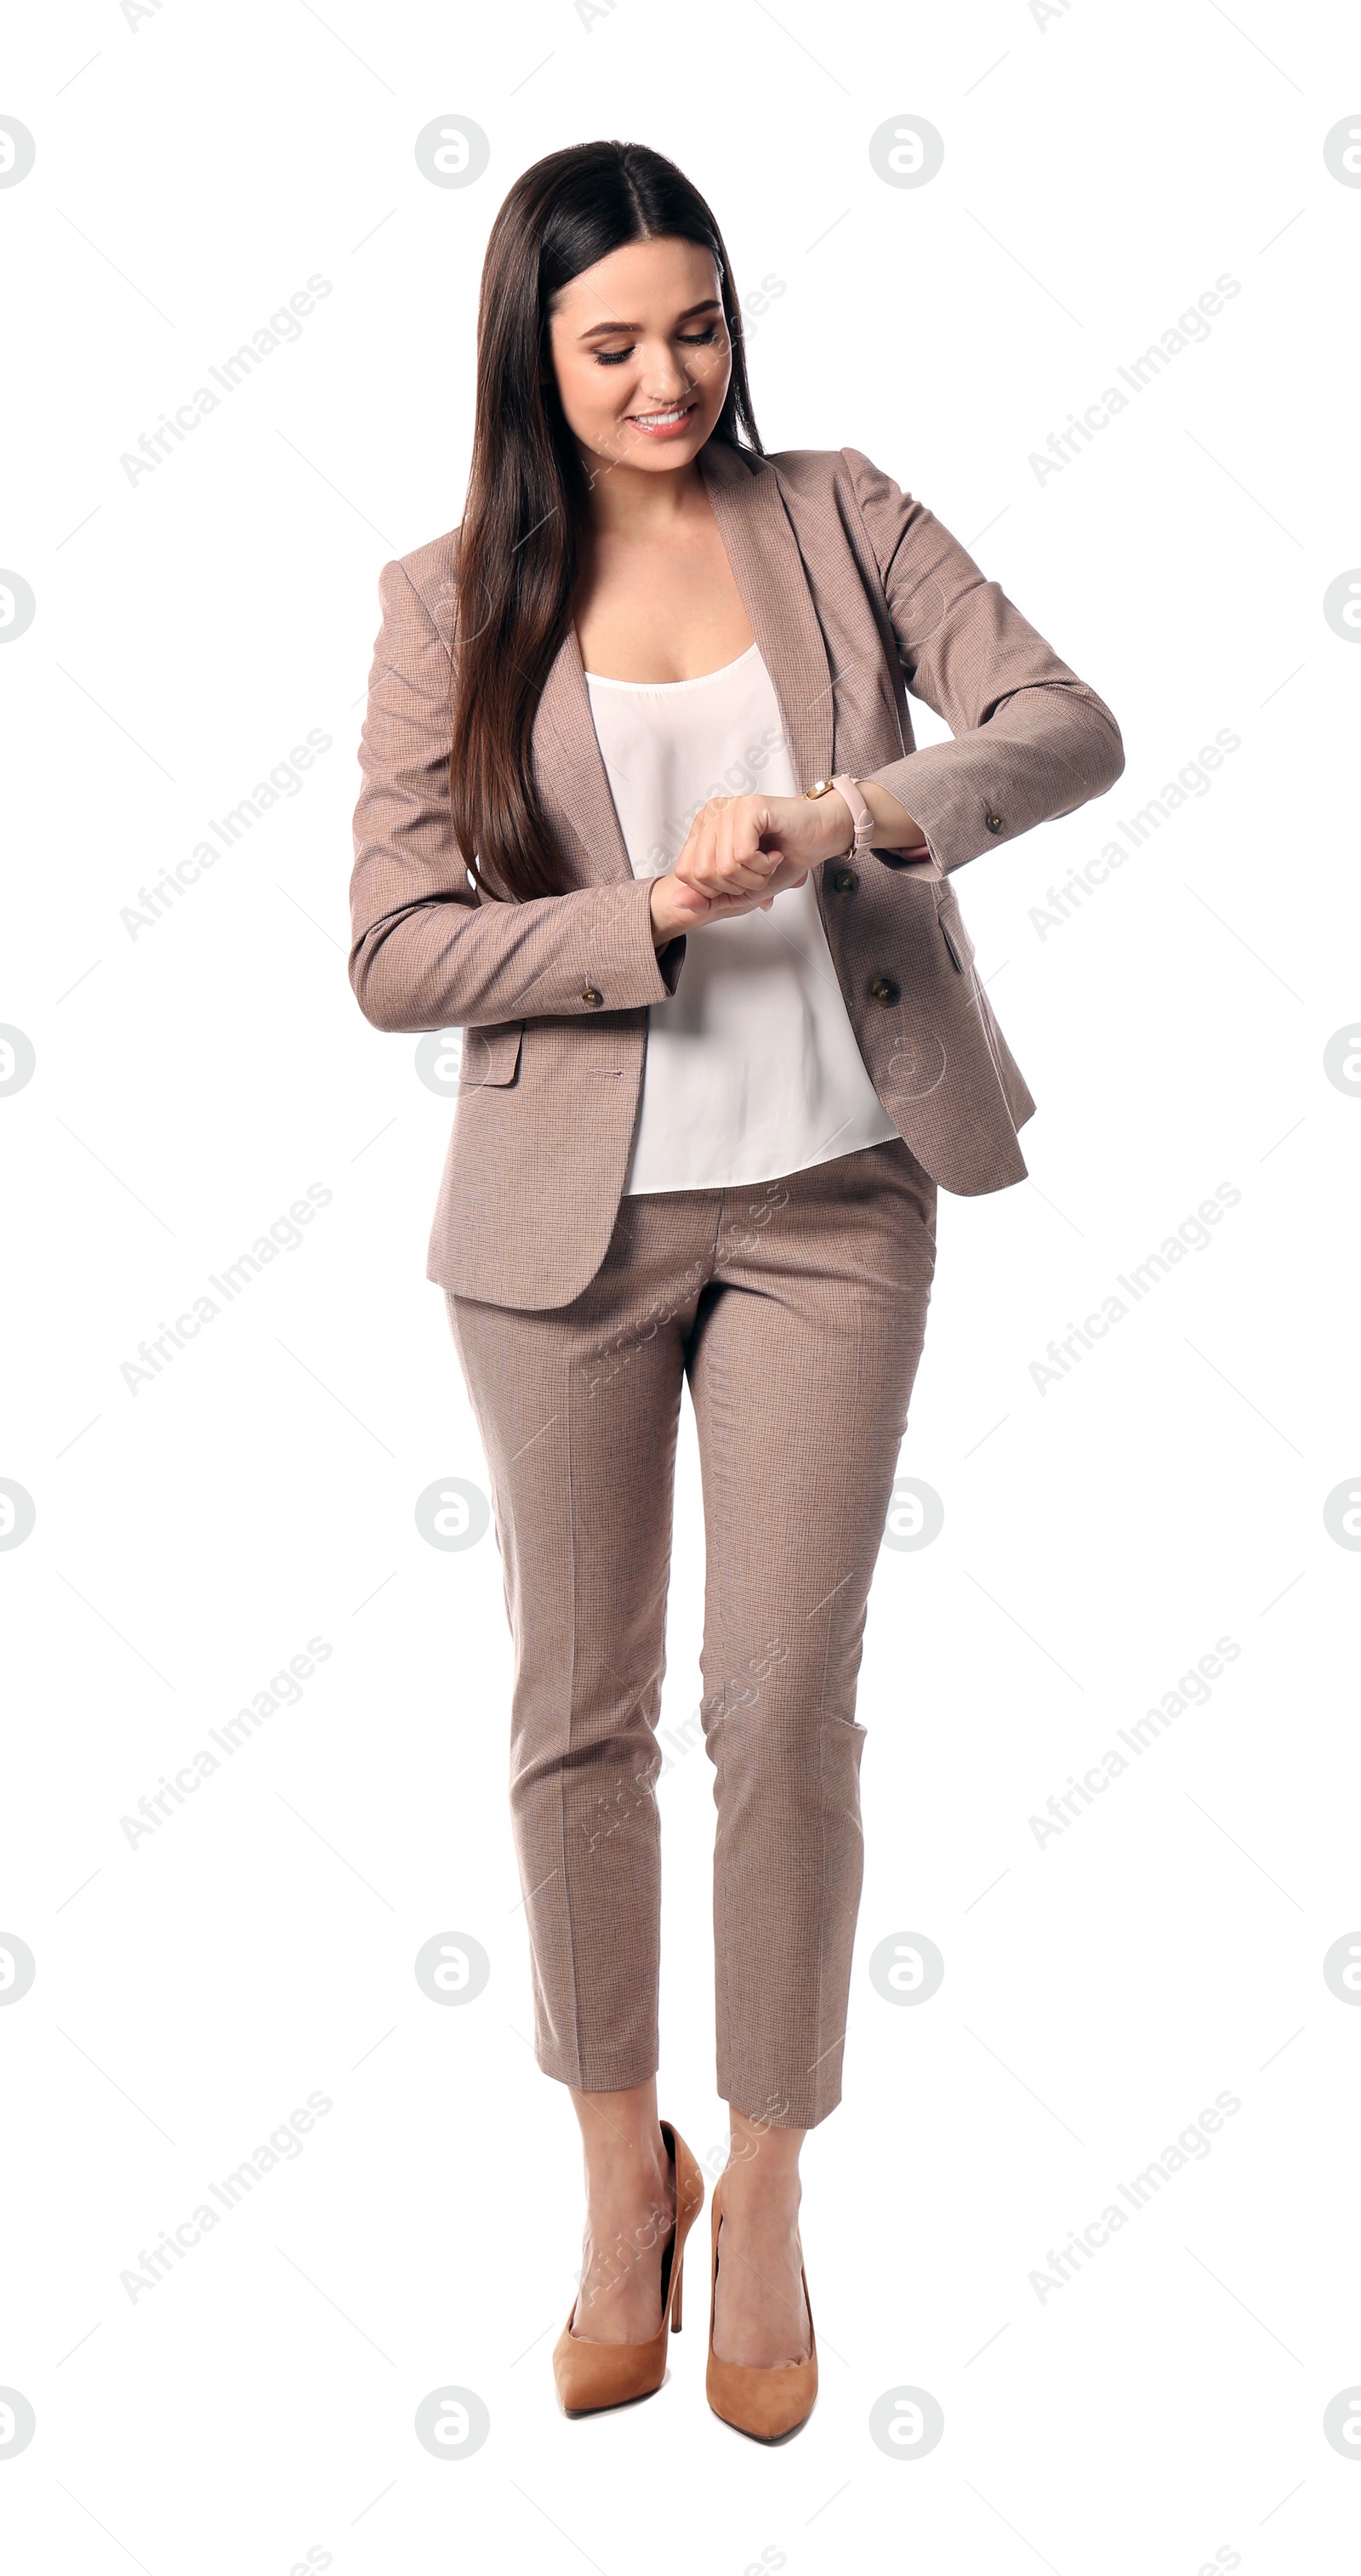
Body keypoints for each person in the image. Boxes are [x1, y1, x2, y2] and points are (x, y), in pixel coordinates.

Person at [349, 138, 1123, 2439]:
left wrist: (847, 814)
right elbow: (391, 950)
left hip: (832, 1198)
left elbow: (1066, 722)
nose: (671, 376)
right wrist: (649, 923)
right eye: (614, 345)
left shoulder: (843, 511)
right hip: (556, 1233)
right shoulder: (441, 597)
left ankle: (768, 2185)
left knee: (781, 1704)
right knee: (571, 1711)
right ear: (533, 355)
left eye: (698, 327)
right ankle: (622, 2179)